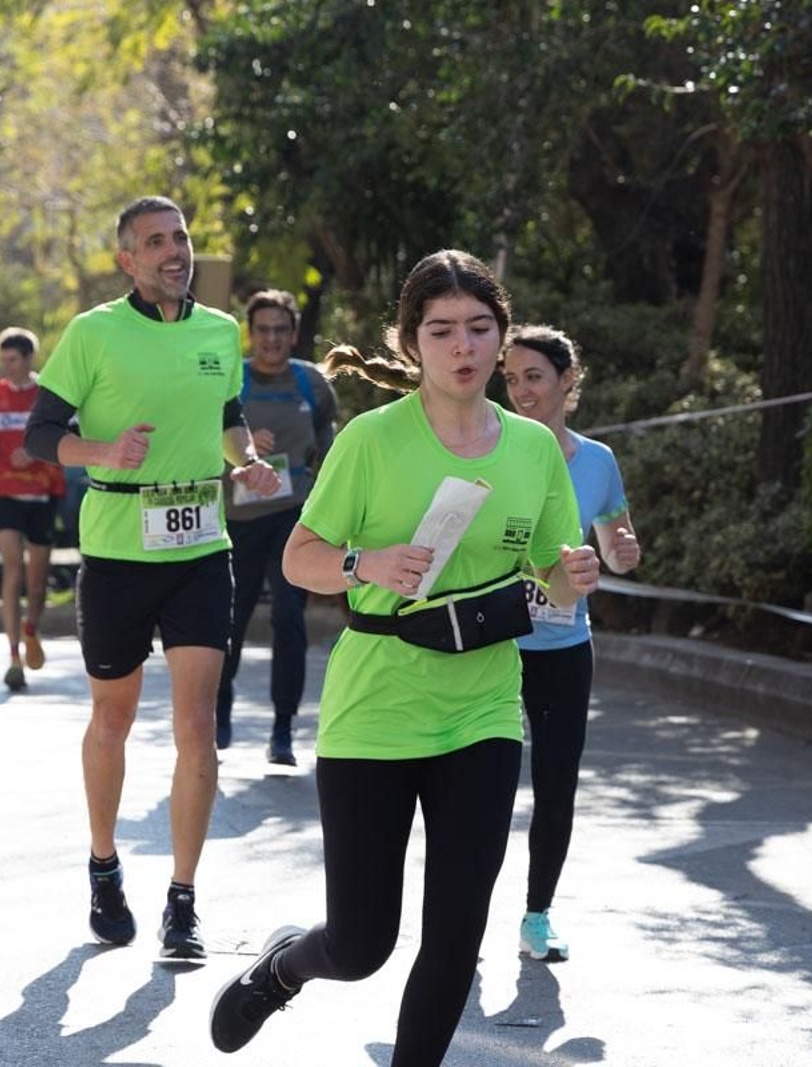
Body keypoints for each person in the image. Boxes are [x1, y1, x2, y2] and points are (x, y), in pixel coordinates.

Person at [208, 250, 600, 1064]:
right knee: (361, 944)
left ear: (502, 335)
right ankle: (283, 968)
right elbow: (298, 556)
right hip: (375, 706)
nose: (465, 347)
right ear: (411, 340)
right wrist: (366, 564)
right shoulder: (371, 441)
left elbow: (553, 577)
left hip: (483, 705)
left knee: (456, 933)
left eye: (480, 328)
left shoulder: (533, 451)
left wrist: (576, 571)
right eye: (443, 330)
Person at [23, 195, 281, 961]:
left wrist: (248, 461)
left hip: (202, 544)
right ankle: (104, 865)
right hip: (118, 551)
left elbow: (226, 416)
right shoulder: (93, 333)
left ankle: (183, 899)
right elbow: (43, 434)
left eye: (182, 237)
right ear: (126, 259)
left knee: (198, 725)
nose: (175, 251)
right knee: (114, 719)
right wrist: (101, 451)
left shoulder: (219, 332)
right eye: (156, 241)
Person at [501, 324, 642, 963]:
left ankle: (537, 916)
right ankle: (463, 906)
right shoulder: (491, 448)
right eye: (511, 379)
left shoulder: (598, 461)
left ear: (567, 382)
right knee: (483, 788)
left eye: (534, 377)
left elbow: (615, 541)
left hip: (562, 647)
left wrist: (622, 549)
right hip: (492, 647)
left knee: (556, 784)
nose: (521, 390)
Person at [215, 290, 338, 763]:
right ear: (251, 333)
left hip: (293, 514)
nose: (271, 339)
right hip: (238, 519)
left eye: (280, 330)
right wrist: (242, 449)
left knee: (289, 617)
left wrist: (327, 492)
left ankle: (283, 729)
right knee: (232, 619)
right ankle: (218, 716)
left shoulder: (311, 383)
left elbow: (328, 438)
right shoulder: (232, 381)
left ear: (293, 333)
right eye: (262, 330)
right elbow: (203, 438)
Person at [0, 327, 67, 690]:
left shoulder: (49, 394)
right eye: (3, 360)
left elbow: (68, 439)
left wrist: (37, 449)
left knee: (36, 581)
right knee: (12, 569)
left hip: (43, 493)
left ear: (29, 359)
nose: (6, 367)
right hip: (6, 493)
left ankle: (31, 629)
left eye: (13, 360)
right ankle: (12, 655)